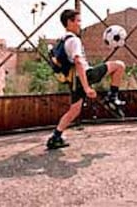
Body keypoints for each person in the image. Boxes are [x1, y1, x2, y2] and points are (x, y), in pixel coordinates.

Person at [46, 9, 126, 150]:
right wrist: (87, 87)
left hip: (74, 80)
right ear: (69, 22)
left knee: (74, 110)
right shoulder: (74, 40)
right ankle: (112, 97)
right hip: (84, 76)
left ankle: (55, 137)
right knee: (119, 65)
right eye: (78, 21)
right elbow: (78, 62)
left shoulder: (63, 40)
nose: (80, 24)